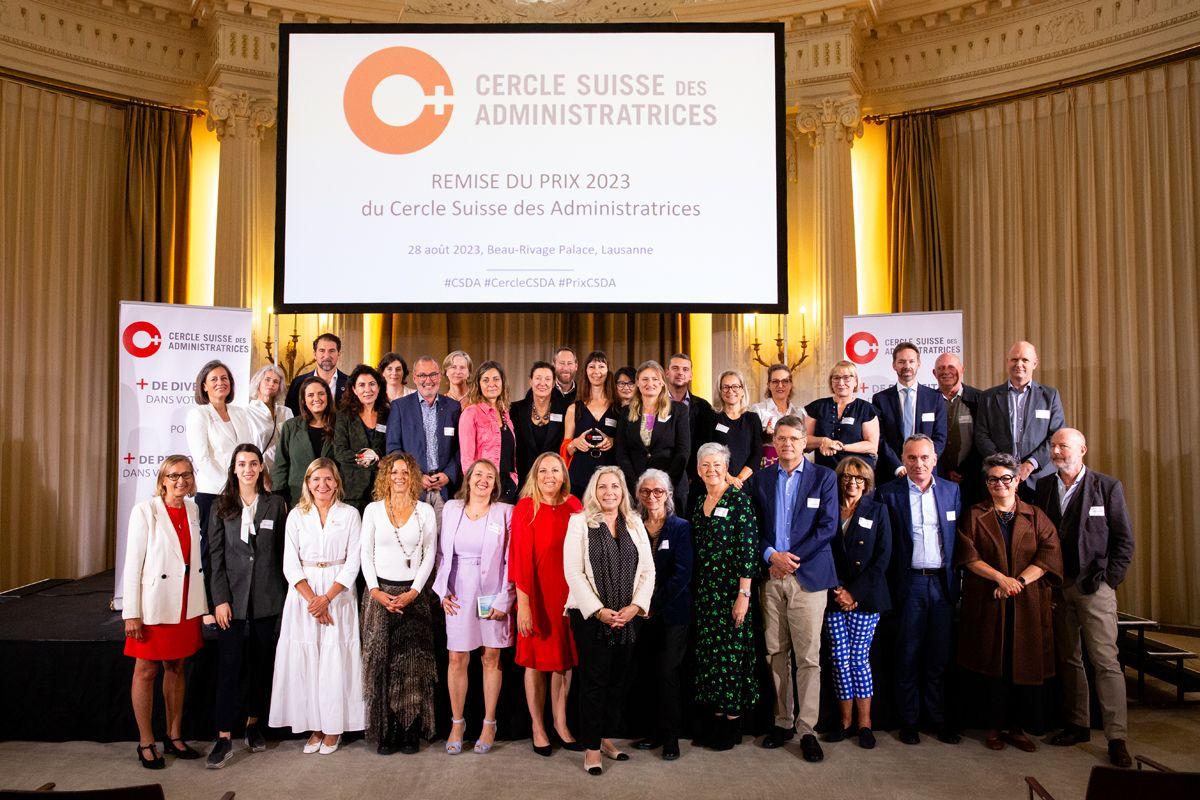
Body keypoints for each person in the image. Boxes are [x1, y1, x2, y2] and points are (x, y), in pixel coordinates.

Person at [1034, 428, 1134, 767]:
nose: (1058, 451)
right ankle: (1077, 725)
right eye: (1054, 446)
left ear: (1083, 450)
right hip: (1059, 588)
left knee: (1105, 661)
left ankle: (1116, 736)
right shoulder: (1045, 487)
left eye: (1064, 445)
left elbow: (1124, 540)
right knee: (1070, 659)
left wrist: (1110, 581)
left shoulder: (1107, 487)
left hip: (1095, 588)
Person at [744, 416, 837, 761]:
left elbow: (827, 527)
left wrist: (791, 559)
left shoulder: (823, 477)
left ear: (804, 441)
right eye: (781, 438)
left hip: (807, 578)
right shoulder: (762, 479)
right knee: (776, 652)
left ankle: (807, 729)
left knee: (809, 657)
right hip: (771, 577)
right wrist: (771, 555)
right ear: (775, 441)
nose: (787, 444)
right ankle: (782, 721)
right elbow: (753, 526)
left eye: (794, 438)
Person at [956, 453, 1062, 752]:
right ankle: (992, 726)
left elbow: (1048, 555)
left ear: (1017, 480)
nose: (999, 484)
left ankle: (1017, 727)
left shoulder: (1035, 515)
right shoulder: (974, 514)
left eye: (1006, 478)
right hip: (989, 598)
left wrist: (1018, 583)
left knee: (1022, 662)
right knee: (993, 663)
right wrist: (1001, 580)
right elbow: (968, 555)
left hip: (1026, 602)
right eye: (992, 479)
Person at [564, 466, 656, 775]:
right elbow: (573, 572)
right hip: (591, 616)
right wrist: (600, 610)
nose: (609, 492)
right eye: (603, 486)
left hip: (628, 616)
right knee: (594, 682)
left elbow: (647, 570)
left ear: (622, 491)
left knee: (618, 682)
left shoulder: (634, 522)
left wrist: (636, 607)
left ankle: (604, 738)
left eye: (615, 487)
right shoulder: (579, 522)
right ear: (594, 490)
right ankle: (590, 749)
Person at [269, 458, 365, 754]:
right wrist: (313, 599)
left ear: (337, 482)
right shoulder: (297, 515)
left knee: (335, 661)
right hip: (303, 599)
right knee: (308, 662)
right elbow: (289, 562)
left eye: (328, 479)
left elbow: (354, 561)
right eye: (315, 480)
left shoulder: (349, 514)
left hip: (339, 596)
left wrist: (327, 598)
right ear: (307, 484)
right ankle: (315, 725)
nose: (322, 485)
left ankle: (334, 727)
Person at [205, 444, 288, 769]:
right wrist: (219, 600)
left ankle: (254, 724)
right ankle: (224, 736)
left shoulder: (275, 504)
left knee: (260, 664)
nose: (249, 469)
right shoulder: (220, 506)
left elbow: (281, 553)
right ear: (234, 469)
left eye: (254, 463)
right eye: (242, 464)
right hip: (232, 602)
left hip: (267, 598)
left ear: (260, 468)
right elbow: (214, 557)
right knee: (229, 667)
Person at [121, 455, 207, 769]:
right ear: (162, 479)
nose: (180, 481)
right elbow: (133, 565)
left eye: (185, 474)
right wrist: (132, 612)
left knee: (177, 667)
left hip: (184, 601)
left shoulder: (194, 508)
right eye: (173, 475)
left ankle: (174, 735)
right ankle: (146, 741)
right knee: (145, 670)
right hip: (153, 604)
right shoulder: (145, 511)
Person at [876, 434, 962, 745]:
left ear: (935, 460)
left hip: (942, 585)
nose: (919, 464)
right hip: (909, 584)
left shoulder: (952, 492)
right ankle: (909, 720)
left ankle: (937, 719)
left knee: (938, 656)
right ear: (903, 460)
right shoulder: (889, 494)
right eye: (911, 458)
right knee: (908, 654)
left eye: (925, 457)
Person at [433, 459, 515, 756]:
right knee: (457, 658)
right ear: (468, 479)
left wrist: (505, 598)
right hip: (458, 592)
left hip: (491, 593)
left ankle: (489, 722)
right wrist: (442, 591)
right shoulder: (452, 509)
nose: (483, 480)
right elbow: (442, 553)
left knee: (491, 657)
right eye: (478, 474)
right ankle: (457, 723)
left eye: (489, 476)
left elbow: (510, 559)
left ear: (495, 484)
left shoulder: (505, 512)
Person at [359, 453, 439, 755]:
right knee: (383, 665)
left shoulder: (425, 512)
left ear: (414, 476)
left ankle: (410, 730)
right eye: (394, 472)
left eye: (405, 472)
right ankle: (387, 728)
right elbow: (365, 553)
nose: (400, 477)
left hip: (413, 596)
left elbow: (430, 553)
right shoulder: (373, 511)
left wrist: (415, 591)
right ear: (386, 476)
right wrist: (376, 591)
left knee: (412, 665)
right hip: (380, 595)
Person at [508, 452, 585, 755]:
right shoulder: (526, 507)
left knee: (563, 662)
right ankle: (538, 727)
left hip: (569, 597)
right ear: (535, 476)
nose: (549, 476)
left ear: (564, 475)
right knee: (535, 664)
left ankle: (561, 723)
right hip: (536, 595)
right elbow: (520, 559)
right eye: (543, 471)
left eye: (556, 470)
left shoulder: (575, 506)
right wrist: (524, 605)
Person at [691, 443, 759, 751]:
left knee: (731, 659)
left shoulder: (738, 500)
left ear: (727, 467)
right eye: (705, 464)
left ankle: (733, 724)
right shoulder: (698, 502)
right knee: (711, 659)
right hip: (706, 593)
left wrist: (743, 594)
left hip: (732, 591)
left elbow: (748, 550)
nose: (712, 469)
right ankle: (716, 719)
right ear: (698, 469)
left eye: (718, 464)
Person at [824, 457, 891, 750]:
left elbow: (883, 557)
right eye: (848, 478)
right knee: (839, 658)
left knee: (858, 658)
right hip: (834, 594)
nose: (853, 483)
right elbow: (822, 550)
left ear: (867, 483)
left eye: (859, 479)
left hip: (866, 597)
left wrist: (855, 593)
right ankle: (845, 721)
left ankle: (865, 724)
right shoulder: (829, 509)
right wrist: (839, 590)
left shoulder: (878, 510)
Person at [630, 468, 693, 761]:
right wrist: (639, 605)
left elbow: (682, 575)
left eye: (658, 491)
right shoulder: (632, 525)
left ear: (668, 494)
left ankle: (671, 738)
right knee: (646, 672)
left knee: (668, 674)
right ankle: (653, 732)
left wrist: (653, 604)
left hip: (671, 613)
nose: (652, 496)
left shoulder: (680, 527)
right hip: (640, 615)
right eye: (645, 491)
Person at [974, 341, 1066, 492]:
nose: (1019, 364)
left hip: (1039, 478)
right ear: (1007, 362)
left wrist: (1030, 464)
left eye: (1025, 360)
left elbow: (1056, 435)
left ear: (1035, 364)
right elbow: (981, 435)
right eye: (1014, 359)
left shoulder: (1050, 396)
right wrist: (1003, 466)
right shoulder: (988, 397)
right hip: (1000, 480)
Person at [186, 359, 255, 552]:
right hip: (214, 493)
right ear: (204, 386)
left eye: (224, 378)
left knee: (236, 549)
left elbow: (248, 451)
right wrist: (230, 487)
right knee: (211, 548)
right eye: (214, 379)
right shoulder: (199, 415)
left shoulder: (240, 412)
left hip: (241, 492)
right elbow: (202, 459)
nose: (220, 382)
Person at [385, 355, 462, 517]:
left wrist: (448, 475)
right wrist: (415, 475)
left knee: (443, 540)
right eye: (422, 375)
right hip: (412, 488)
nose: (428, 380)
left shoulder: (453, 407)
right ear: (414, 378)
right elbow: (393, 449)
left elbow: (460, 448)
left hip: (444, 490)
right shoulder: (400, 407)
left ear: (440, 376)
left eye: (433, 374)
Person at [614, 360, 691, 510]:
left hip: (670, 488)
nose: (650, 383)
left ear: (662, 382)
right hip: (636, 488)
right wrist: (637, 484)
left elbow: (683, 451)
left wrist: (664, 484)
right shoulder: (626, 412)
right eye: (645, 379)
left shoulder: (678, 410)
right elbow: (621, 452)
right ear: (637, 383)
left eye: (655, 379)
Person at [871, 343, 947, 480]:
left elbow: (940, 437)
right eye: (901, 362)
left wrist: (924, 463)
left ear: (919, 364)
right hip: (891, 472)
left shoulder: (934, 398)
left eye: (911, 361)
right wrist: (898, 466)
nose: (907, 366)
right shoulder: (880, 399)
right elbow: (879, 438)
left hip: (927, 472)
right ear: (894, 365)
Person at [562, 351, 620, 499]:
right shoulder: (573, 408)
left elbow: (627, 443)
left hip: (609, 478)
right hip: (579, 476)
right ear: (585, 371)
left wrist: (613, 441)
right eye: (592, 366)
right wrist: (575, 443)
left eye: (601, 366)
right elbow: (565, 447)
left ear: (608, 371)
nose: (596, 371)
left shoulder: (618, 408)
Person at [459, 360, 519, 502]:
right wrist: (476, 488)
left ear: (502, 382)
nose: (491, 384)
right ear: (478, 385)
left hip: (507, 487)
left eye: (496, 379)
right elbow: (467, 460)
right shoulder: (470, 413)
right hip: (484, 487)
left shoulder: (505, 413)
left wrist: (513, 479)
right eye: (485, 380)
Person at [805, 361, 880, 472]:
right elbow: (803, 441)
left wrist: (841, 447)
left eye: (846, 378)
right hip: (824, 473)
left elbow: (872, 446)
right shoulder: (817, 407)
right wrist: (823, 441)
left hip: (857, 474)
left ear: (855, 381)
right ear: (831, 382)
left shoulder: (866, 409)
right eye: (836, 378)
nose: (841, 382)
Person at [270, 377, 335, 506]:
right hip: (297, 497)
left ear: (328, 396)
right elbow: (281, 465)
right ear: (304, 400)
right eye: (310, 395)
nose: (316, 398)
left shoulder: (341, 425)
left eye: (321, 394)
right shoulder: (291, 426)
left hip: (332, 497)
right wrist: (279, 497)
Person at [333, 365, 390, 512]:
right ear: (353, 389)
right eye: (361, 385)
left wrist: (378, 455)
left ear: (379, 387)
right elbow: (340, 452)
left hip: (383, 490)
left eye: (372, 384)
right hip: (352, 492)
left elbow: (391, 446)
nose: (367, 390)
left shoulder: (388, 414)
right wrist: (374, 462)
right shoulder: (344, 416)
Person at [695, 369, 763, 494]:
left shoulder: (752, 419)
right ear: (720, 391)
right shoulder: (711, 418)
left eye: (735, 386)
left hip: (746, 484)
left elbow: (757, 454)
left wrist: (738, 479)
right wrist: (728, 477)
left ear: (742, 390)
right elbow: (705, 452)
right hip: (717, 482)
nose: (730, 391)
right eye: (725, 387)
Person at [933, 353, 983, 506]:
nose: (946, 371)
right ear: (934, 373)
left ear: (962, 370)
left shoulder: (979, 399)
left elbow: (983, 439)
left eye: (951, 367)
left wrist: (964, 471)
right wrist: (944, 470)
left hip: (973, 479)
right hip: (938, 479)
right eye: (941, 368)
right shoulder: (928, 400)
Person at [666, 353, 714, 512]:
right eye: (675, 368)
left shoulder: (703, 407)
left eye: (685, 369)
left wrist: (693, 475)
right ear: (667, 373)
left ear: (691, 375)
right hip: (660, 477)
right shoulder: (654, 404)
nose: (680, 373)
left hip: (693, 480)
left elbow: (706, 444)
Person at [511, 361, 567, 486]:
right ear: (530, 381)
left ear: (553, 384)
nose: (542, 383)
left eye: (547, 379)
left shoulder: (565, 411)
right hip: (523, 479)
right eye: (538, 378)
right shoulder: (514, 410)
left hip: (553, 480)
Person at [751, 364, 808, 469]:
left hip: (794, 467)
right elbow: (749, 442)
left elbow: (804, 444)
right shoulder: (757, 410)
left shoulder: (800, 412)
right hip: (765, 466)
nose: (780, 385)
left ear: (791, 384)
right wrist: (764, 435)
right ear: (768, 385)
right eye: (775, 381)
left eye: (785, 381)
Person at [284, 333, 350, 416]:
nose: (326, 356)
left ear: (339, 354)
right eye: (322, 350)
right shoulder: (298, 383)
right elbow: (289, 417)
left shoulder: (350, 383)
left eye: (332, 351)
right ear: (315, 354)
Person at [244, 364, 293, 478]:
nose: (271, 384)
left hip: (284, 473)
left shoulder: (286, 412)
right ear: (258, 383)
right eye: (267, 379)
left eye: (276, 382)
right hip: (258, 473)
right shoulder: (246, 413)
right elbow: (247, 448)